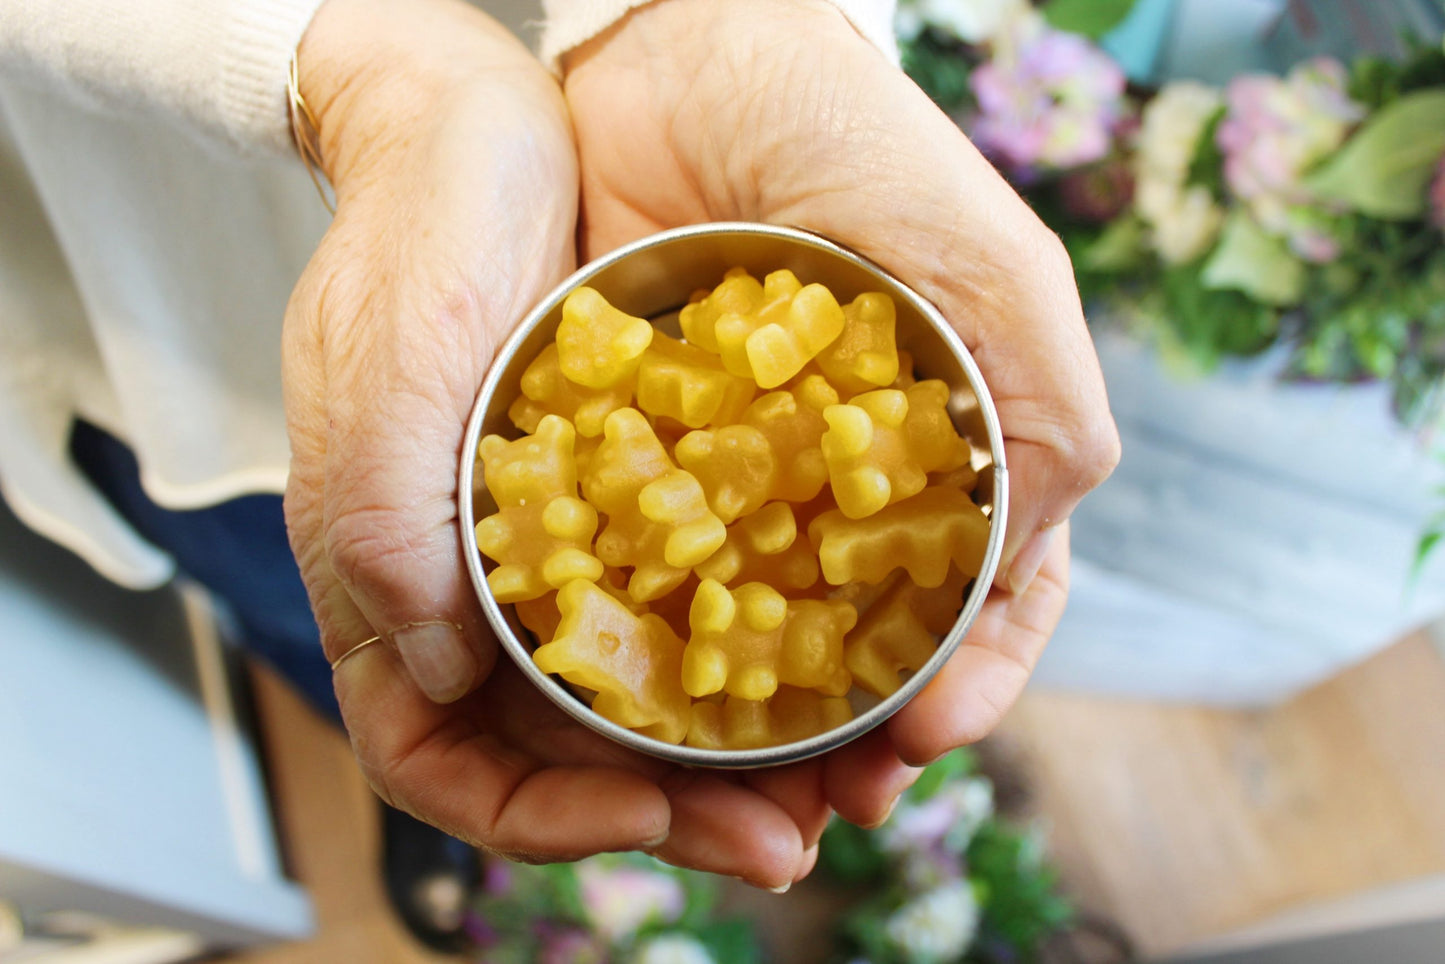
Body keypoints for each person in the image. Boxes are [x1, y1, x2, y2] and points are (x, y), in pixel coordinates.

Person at [0, 0, 1118, 945]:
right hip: (154, 282)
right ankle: (408, 773)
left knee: (409, 612)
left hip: (566, 186)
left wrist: (691, 17)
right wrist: (364, 60)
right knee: (337, 611)